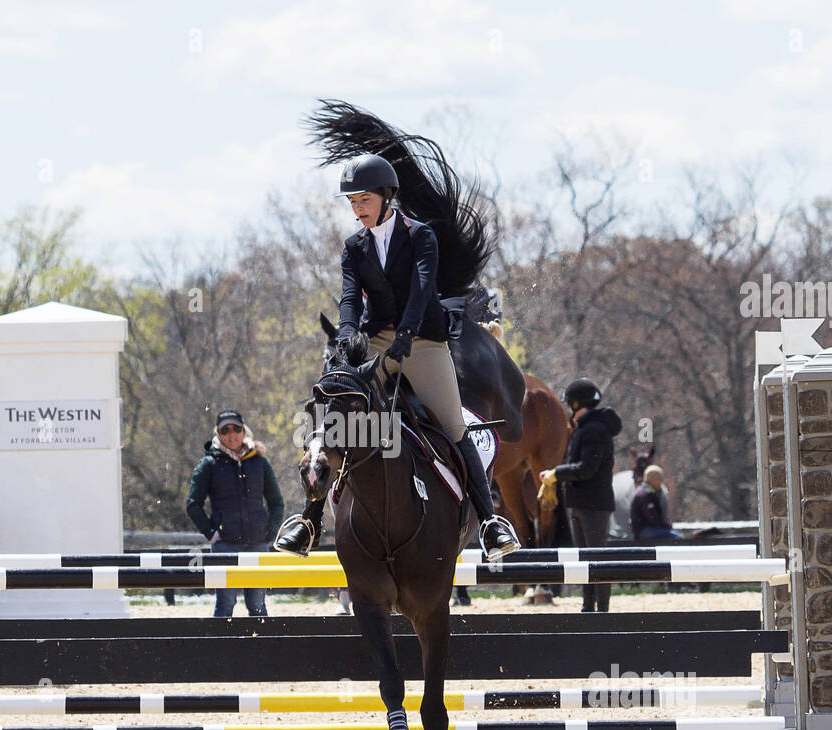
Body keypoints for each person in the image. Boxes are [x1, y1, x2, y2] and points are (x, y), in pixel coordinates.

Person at [273, 153, 519, 560]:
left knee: (454, 425)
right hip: (376, 341)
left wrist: (406, 334)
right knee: (338, 417)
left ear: (387, 196)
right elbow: (351, 296)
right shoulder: (354, 247)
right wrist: (349, 333)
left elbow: (423, 288)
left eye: (363, 200)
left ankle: (490, 522)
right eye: (352, 202)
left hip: (422, 341)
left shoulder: (421, 236)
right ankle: (309, 521)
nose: (357, 208)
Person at [187, 410, 285, 617]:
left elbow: (276, 502)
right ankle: (220, 649)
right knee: (225, 604)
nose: (232, 434)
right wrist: (211, 533)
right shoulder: (208, 464)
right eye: (225, 430)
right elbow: (192, 504)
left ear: (244, 430)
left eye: (236, 429)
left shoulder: (260, 462)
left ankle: (261, 648)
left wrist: (270, 531)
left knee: (258, 605)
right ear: (218, 433)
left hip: (258, 542)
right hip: (225, 544)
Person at [539, 378, 622, 612]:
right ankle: (588, 607)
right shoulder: (585, 428)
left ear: (577, 404)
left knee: (597, 560)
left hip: (593, 505)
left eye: (569, 404)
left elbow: (587, 469)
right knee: (586, 560)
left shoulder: (594, 430)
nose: (568, 409)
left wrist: (556, 474)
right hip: (581, 503)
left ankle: (602, 609)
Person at [630, 465, 682, 540]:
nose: (661, 482)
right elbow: (652, 517)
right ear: (653, 480)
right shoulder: (646, 494)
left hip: (647, 528)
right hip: (644, 529)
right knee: (677, 537)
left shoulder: (648, 491)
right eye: (660, 479)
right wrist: (667, 526)